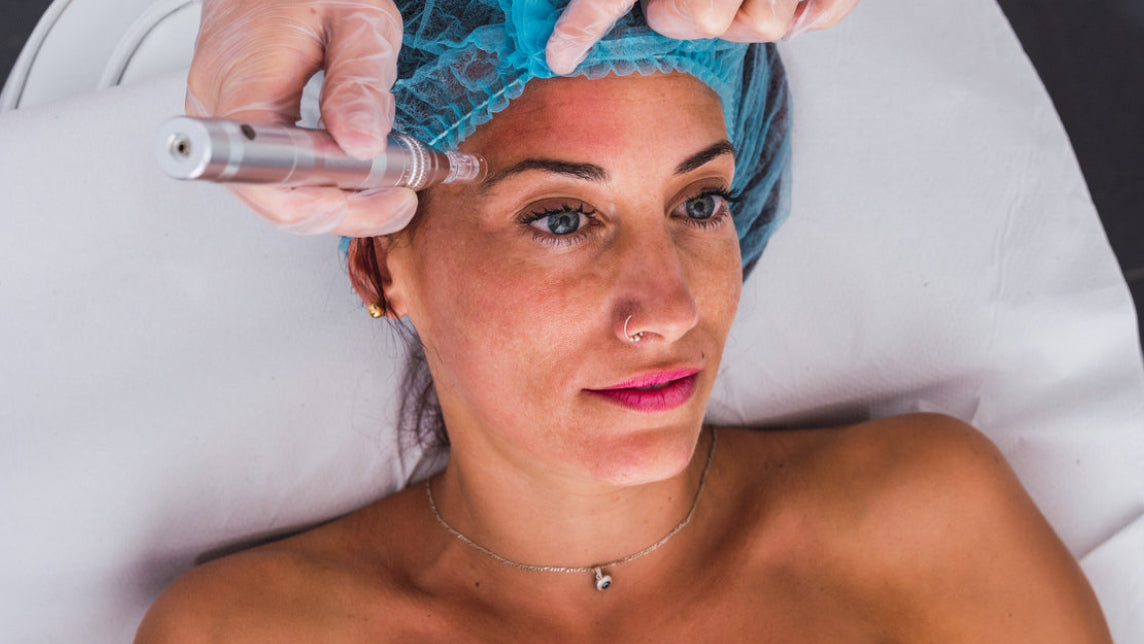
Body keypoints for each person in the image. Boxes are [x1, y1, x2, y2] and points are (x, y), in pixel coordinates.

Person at [136, 1, 1112, 641]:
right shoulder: (251, 629)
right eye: (561, 216)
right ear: (382, 260)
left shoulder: (917, 517)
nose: (668, 308)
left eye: (699, 205)